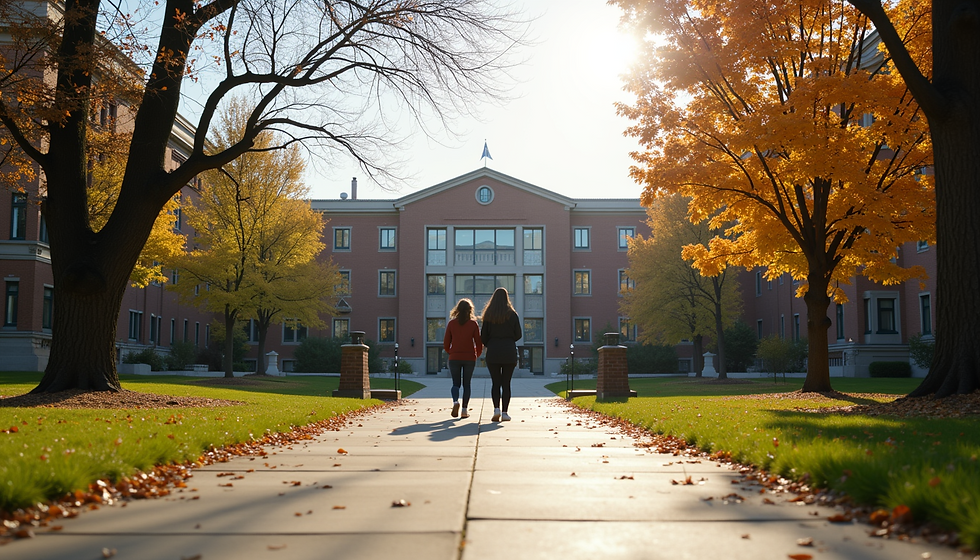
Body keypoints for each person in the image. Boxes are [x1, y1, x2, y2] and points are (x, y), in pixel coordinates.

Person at [480, 287, 522, 422]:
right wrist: (508, 340)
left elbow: (483, 337)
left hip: (493, 351)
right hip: (509, 351)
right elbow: (518, 335)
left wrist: (491, 343)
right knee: (506, 383)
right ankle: (505, 412)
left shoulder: (488, 315)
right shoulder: (512, 314)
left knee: (495, 383)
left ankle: (496, 409)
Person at [443, 298, 482, 419]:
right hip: (469, 358)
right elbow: (478, 342)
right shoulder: (473, 324)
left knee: (455, 383)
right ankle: (464, 410)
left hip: (454, 357)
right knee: (467, 384)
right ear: (470, 310)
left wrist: (452, 352)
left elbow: (446, 343)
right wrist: (476, 354)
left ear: (457, 309)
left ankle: (455, 402)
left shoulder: (451, 324)